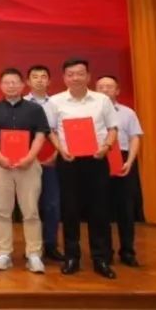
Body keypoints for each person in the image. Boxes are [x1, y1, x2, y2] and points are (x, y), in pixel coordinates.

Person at [47, 58, 119, 279]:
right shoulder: (56, 101)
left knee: (100, 210)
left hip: (97, 160)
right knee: (70, 210)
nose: (75, 78)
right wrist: (60, 149)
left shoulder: (102, 100)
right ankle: (72, 257)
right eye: (70, 74)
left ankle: (101, 258)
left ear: (88, 76)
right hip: (68, 161)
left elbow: (113, 128)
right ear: (64, 78)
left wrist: (106, 147)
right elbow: (51, 130)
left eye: (80, 73)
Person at [0, 68, 50, 274]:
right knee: (2, 211)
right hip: (1, 165)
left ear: (22, 85)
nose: (11, 86)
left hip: (28, 165)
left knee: (31, 211)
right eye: (6, 82)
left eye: (14, 82)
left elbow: (40, 135)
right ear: (0, 86)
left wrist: (29, 157)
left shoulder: (35, 109)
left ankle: (34, 254)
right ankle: (4, 253)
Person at [95, 75, 144, 267]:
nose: (105, 90)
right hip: (98, 158)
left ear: (117, 91)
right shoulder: (91, 112)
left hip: (123, 159)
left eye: (109, 86)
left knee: (126, 208)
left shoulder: (127, 112)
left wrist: (130, 161)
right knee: (100, 208)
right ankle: (104, 251)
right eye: (101, 87)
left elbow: (135, 137)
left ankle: (127, 251)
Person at [25, 64, 65, 262]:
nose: (39, 80)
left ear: (49, 81)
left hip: (52, 161)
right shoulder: (21, 104)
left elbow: (62, 132)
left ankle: (50, 244)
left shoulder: (57, 104)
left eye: (43, 77)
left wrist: (56, 154)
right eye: (35, 76)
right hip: (27, 162)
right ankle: (32, 247)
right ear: (27, 81)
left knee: (51, 204)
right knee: (29, 205)